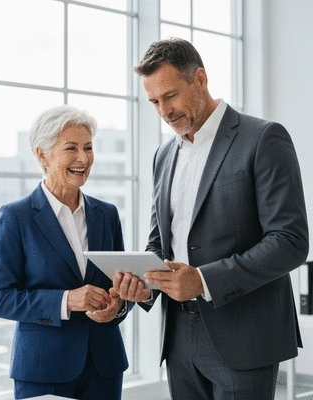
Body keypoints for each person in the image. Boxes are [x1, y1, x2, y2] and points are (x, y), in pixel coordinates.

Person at [113, 38, 309, 400]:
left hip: (244, 335)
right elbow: (161, 242)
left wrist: (203, 280)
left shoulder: (263, 138)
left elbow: (290, 241)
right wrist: (143, 282)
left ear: (199, 79)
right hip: (178, 339)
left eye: (170, 96)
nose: (164, 111)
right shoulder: (164, 155)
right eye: (154, 101)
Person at [0, 105, 132, 400]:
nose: (83, 158)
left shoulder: (107, 214)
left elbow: (119, 286)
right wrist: (67, 300)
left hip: (104, 366)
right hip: (43, 369)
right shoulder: (16, 217)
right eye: (71, 148)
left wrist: (117, 306)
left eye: (88, 148)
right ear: (42, 155)